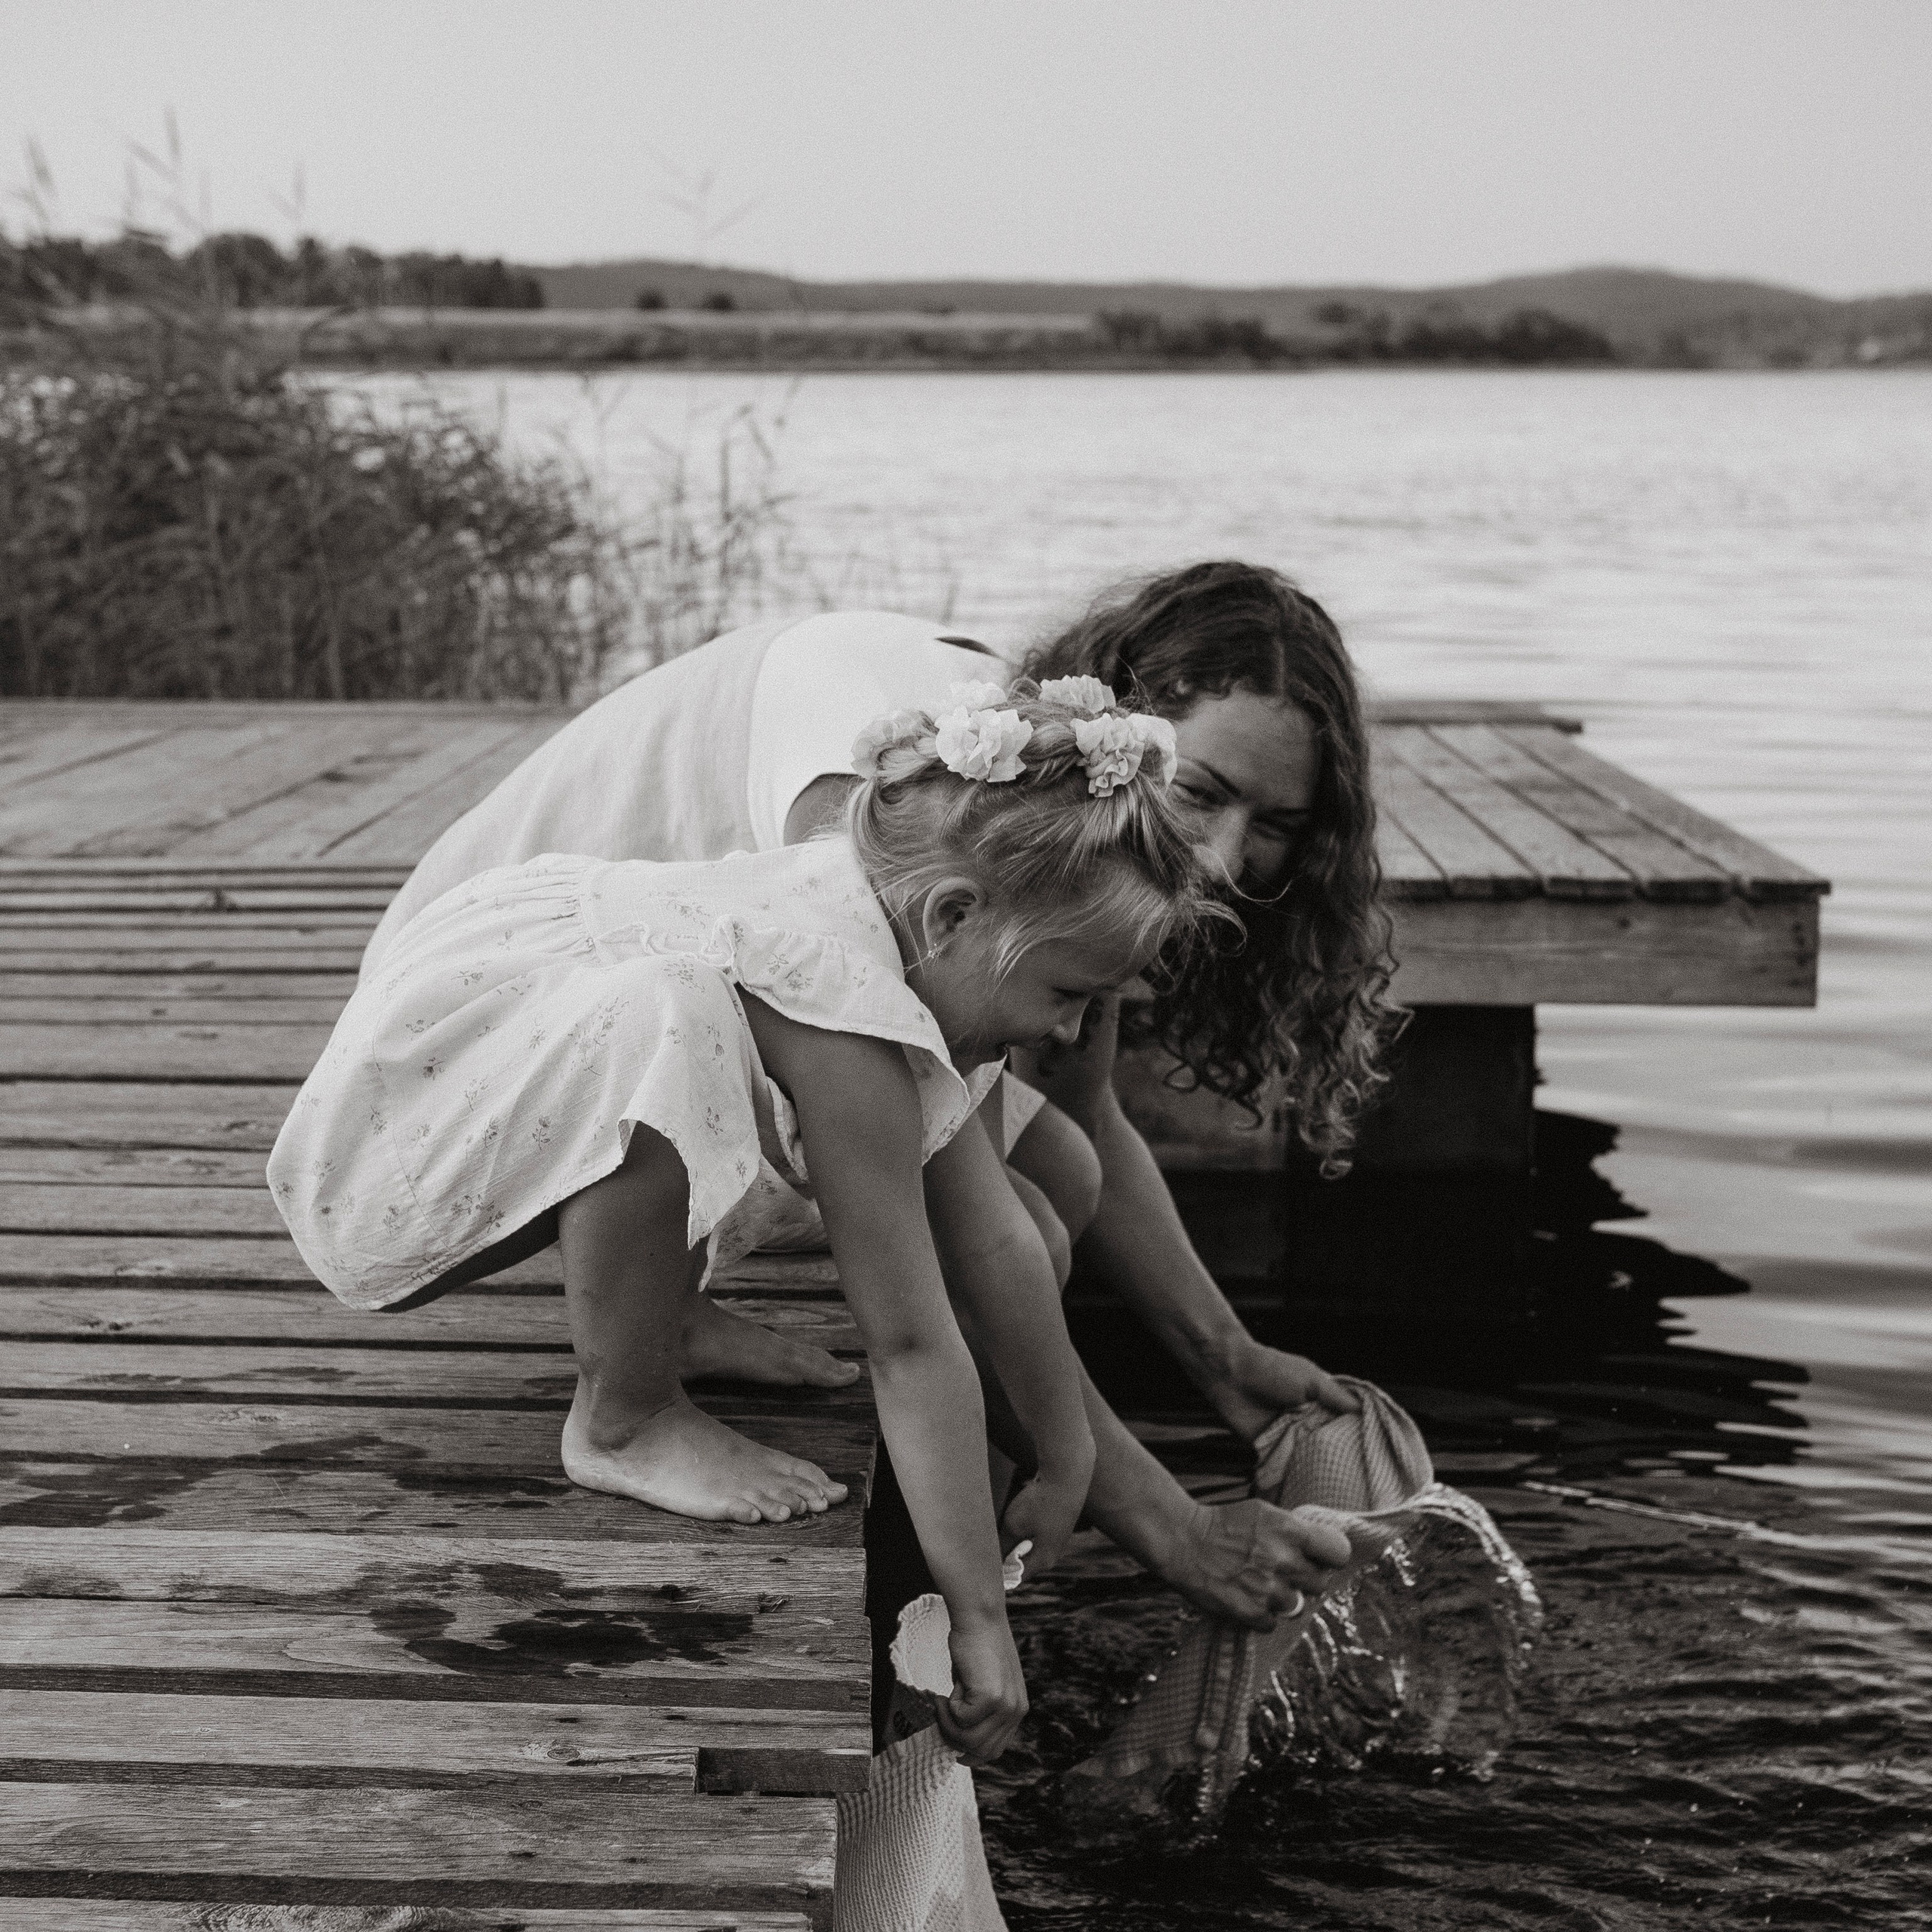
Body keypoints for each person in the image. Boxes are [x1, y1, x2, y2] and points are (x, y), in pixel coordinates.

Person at [358, 561, 1393, 1629]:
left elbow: (1080, 1121)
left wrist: (1224, 1360)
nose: (1226, 856)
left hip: (654, 1012)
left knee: (1058, 1179)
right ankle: (912, 1597)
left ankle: (684, 1317)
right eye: (1207, 792)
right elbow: (952, 1242)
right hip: (475, 1039)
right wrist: (1172, 1527)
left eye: (1276, 824)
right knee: (1013, 1217)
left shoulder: (1055, 797)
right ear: (1135, 720)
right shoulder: (894, 816)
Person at [273, 678, 1217, 1765]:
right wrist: (979, 1618)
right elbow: (910, 1343)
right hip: (411, 1127)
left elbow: (996, 1240)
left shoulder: (894, 934)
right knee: (664, 1017)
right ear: (957, 916)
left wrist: (1064, 1455)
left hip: (507, 1053)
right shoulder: (848, 1015)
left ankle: (665, 1314)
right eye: (1070, 993)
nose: (1073, 1029)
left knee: (679, 1021)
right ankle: (623, 1416)